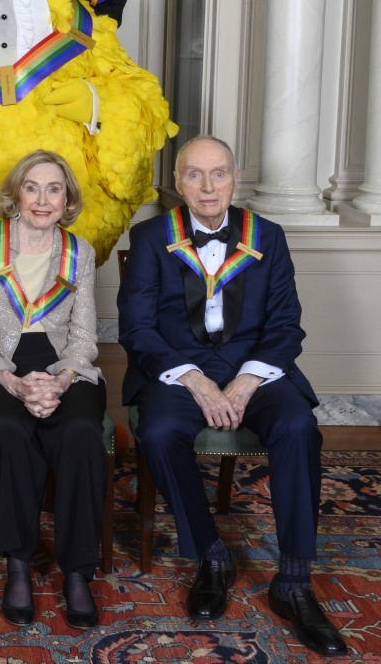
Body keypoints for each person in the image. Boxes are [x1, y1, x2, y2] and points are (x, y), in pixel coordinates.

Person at [118, 135, 346, 656]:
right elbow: (137, 329)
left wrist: (246, 380)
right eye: (193, 175)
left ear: (234, 178)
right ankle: (212, 555)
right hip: (180, 370)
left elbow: (287, 325)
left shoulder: (269, 235)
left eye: (218, 173)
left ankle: (292, 580)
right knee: (157, 431)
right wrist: (196, 380)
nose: (207, 186)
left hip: (254, 370)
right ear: (176, 182)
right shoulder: (152, 237)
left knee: (298, 427)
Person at [0, 150, 107, 628]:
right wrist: (14, 383)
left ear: (67, 200)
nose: (43, 199)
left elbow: (84, 337)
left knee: (82, 431)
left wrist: (61, 380)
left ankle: (78, 571)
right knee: (6, 428)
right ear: (15, 194)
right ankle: (18, 563)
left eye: (54, 189)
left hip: (62, 363)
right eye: (32, 187)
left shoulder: (81, 251)